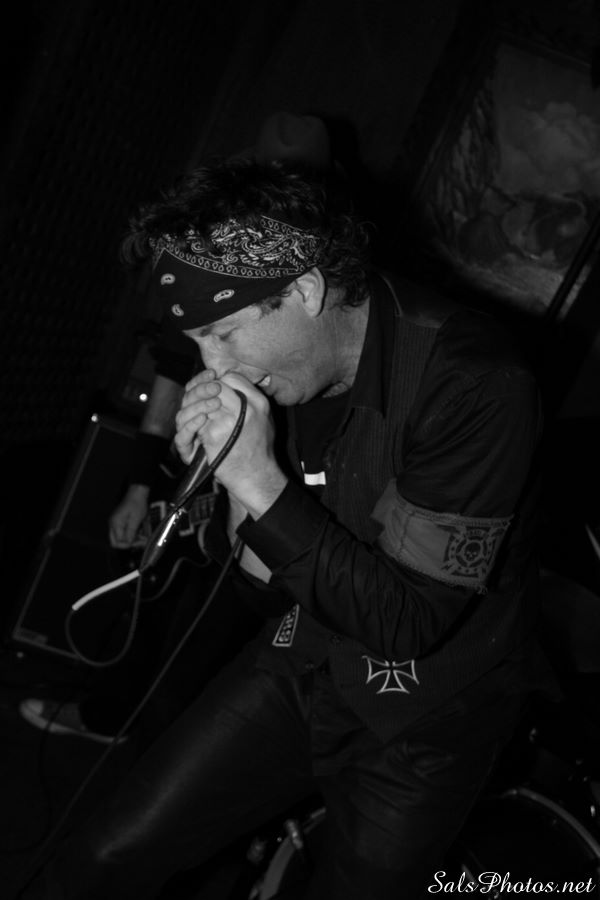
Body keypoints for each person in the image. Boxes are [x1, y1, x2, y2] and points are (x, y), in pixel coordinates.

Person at [22, 157, 543, 900]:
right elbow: (260, 587)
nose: (213, 367)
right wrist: (232, 481)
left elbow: (404, 622)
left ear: (303, 290)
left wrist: (260, 481)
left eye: (224, 334)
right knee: (107, 854)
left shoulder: (475, 385)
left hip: (428, 717)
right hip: (301, 657)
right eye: (198, 342)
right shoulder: (282, 378)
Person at [19, 111, 336, 746]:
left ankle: (165, 760)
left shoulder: (320, 289)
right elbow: (170, 374)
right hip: (194, 485)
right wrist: (143, 485)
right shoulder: (199, 267)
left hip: (275, 506)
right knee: (149, 608)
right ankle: (110, 722)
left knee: (209, 652)